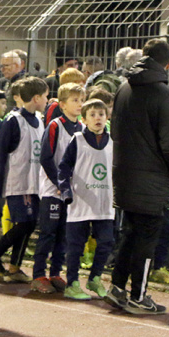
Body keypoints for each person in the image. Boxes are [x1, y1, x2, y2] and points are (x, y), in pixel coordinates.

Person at [110, 38, 169, 314]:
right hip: (152, 178)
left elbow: (116, 130)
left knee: (129, 232)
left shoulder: (123, 88)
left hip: (124, 173)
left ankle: (117, 287)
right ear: (166, 63)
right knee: (147, 238)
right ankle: (138, 296)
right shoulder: (165, 95)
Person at [0, 77, 48, 282]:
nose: (47, 100)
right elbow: (1, 153)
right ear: (36, 97)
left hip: (35, 182)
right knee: (24, 223)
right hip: (18, 181)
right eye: (45, 96)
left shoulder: (39, 120)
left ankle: (15, 267)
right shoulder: (14, 120)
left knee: (29, 224)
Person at [58, 98, 115, 301]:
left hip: (104, 203)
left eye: (101, 114)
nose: (97, 118)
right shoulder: (78, 140)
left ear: (107, 117)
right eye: (92, 115)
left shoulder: (113, 144)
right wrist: (65, 191)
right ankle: (72, 283)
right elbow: (64, 168)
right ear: (84, 119)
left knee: (106, 242)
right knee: (75, 245)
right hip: (80, 201)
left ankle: (95, 278)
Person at [32, 83, 85, 294]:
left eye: (82, 100)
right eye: (75, 100)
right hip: (52, 190)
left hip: (70, 192)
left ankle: (55, 272)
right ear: (62, 104)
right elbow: (46, 158)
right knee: (48, 232)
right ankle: (38, 274)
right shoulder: (55, 126)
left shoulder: (81, 128)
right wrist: (59, 184)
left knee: (64, 233)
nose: (79, 104)